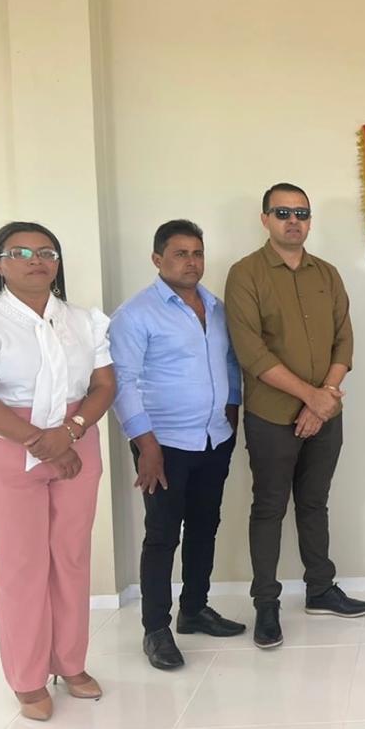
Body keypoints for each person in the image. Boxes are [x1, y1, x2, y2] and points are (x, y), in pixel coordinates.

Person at [225, 183, 365, 649]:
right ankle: (266, 603)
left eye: (302, 213)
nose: (294, 221)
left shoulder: (326, 273)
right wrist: (312, 397)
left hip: (326, 412)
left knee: (314, 503)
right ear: (265, 219)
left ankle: (320, 589)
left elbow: (344, 340)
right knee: (269, 507)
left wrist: (324, 397)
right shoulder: (245, 274)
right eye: (283, 212)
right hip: (271, 416)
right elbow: (251, 351)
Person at [0, 222, 115, 720]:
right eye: (20, 253)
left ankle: (70, 662)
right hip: (9, 445)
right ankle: (27, 678)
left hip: (77, 440)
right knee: (21, 565)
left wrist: (72, 431)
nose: (36, 260)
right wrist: (42, 443)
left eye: (46, 252)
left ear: (58, 263)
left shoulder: (84, 320)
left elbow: (104, 385)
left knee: (71, 556)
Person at [110, 220, 246, 671]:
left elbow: (230, 363)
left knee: (205, 526)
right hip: (163, 444)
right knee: (163, 535)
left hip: (214, 437)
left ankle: (194, 609)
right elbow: (122, 383)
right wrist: (145, 445)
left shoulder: (217, 308)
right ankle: (156, 629)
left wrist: (231, 411)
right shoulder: (136, 314)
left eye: (197, 253)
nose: (191, 262)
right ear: (157, 259)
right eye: (180, 253)